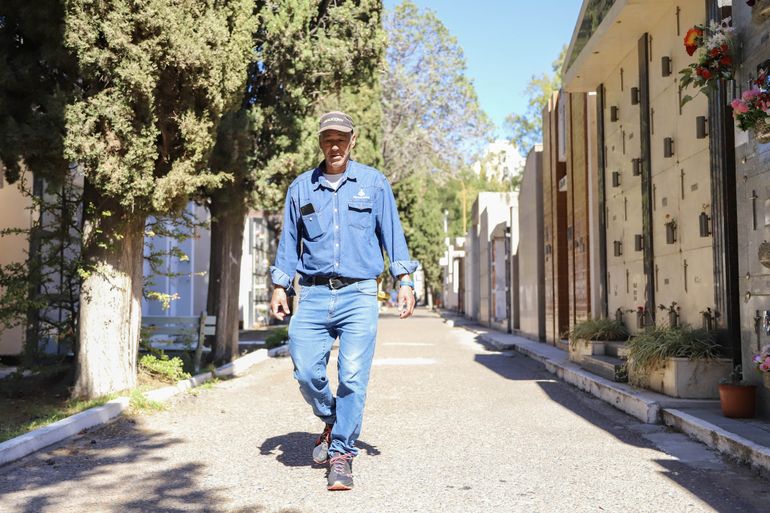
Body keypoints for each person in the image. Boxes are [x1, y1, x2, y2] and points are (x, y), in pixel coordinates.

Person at [269, 111, 418, 491]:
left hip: (359, 293)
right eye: (327, 139)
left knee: (352, 376)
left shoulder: (373, 183)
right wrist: (280, 286)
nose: (334, 145)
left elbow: (392, 234)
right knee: (304, 369)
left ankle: (341, 455)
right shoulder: (302, 189)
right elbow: (289, 243)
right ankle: (335, 418)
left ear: (353, 140)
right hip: (314, 294)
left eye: (340, 139)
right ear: (320, 143)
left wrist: (404, 279)